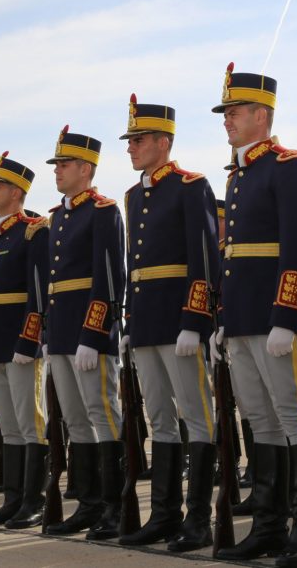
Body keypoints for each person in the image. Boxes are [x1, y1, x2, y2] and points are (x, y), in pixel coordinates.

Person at [211, 63, 297, 567]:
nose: (227, 120)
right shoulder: (240, 173)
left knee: (296, 419)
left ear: (262, 114)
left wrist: (287, 312)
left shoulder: (287, 166)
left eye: (235, 112)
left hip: (276, 319)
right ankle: (269, 527)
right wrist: (223, 319)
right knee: (259, 421)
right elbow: (231, 257)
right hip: (242, 319)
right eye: (226, 113)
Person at [112, 95, 219, 549]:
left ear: (163, 141)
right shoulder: (134, 195)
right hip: (147, 323)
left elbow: (204, 259)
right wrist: (130, 323)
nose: (131, 148)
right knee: (159, 418)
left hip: (179, 322)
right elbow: (135, 267)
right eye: (130, 140)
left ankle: (198, 520)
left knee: (196, 417)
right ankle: (163, 515)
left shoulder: (191, 186)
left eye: (139, 140)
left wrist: (195, 320)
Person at [40, 127, 127, 540]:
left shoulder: (103, 211)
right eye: (56, 164)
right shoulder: (57, 217)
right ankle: (89, 504)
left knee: (102, 415)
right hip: (60, 333)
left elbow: (109, 281)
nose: (57, 171)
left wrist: (93, 335)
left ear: (86, 169)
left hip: (87, 334)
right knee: (75, 421)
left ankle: (113, 506)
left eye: (64, 164)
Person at [0, 153, 51, 529]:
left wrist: (29, 340)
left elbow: (38, 293)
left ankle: (34, 501)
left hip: (20, 342)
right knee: (7, 422)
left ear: (17, 192)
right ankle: (13, 498)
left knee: (30, 421)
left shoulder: (33, 231)